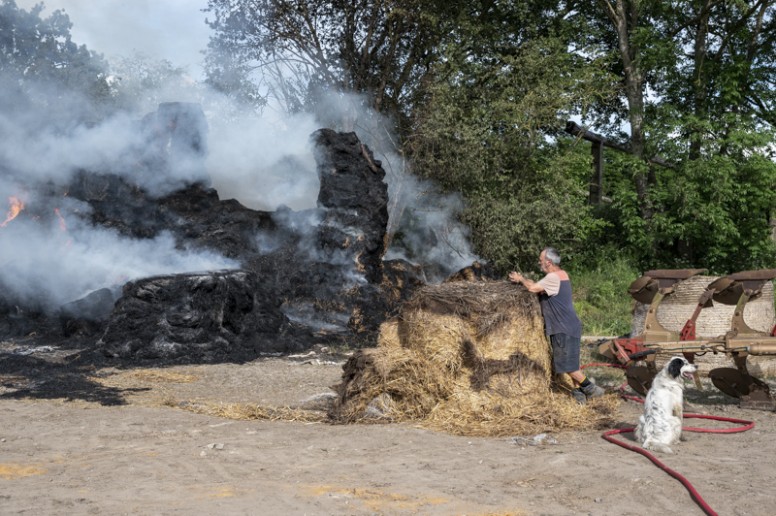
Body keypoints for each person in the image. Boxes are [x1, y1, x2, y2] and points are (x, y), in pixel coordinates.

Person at [509, 247, 605, 404]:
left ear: (548, 262)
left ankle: (592, 389)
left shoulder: (553, 277)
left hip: (562, 327)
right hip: (571, 325)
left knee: (567, 366)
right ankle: (578, 394)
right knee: (572, 363)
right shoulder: (562, 275)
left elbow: (532, 288)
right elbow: (537, 286)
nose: (539, 263)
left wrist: (520, 279)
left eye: (541, 261)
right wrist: (527, 281)